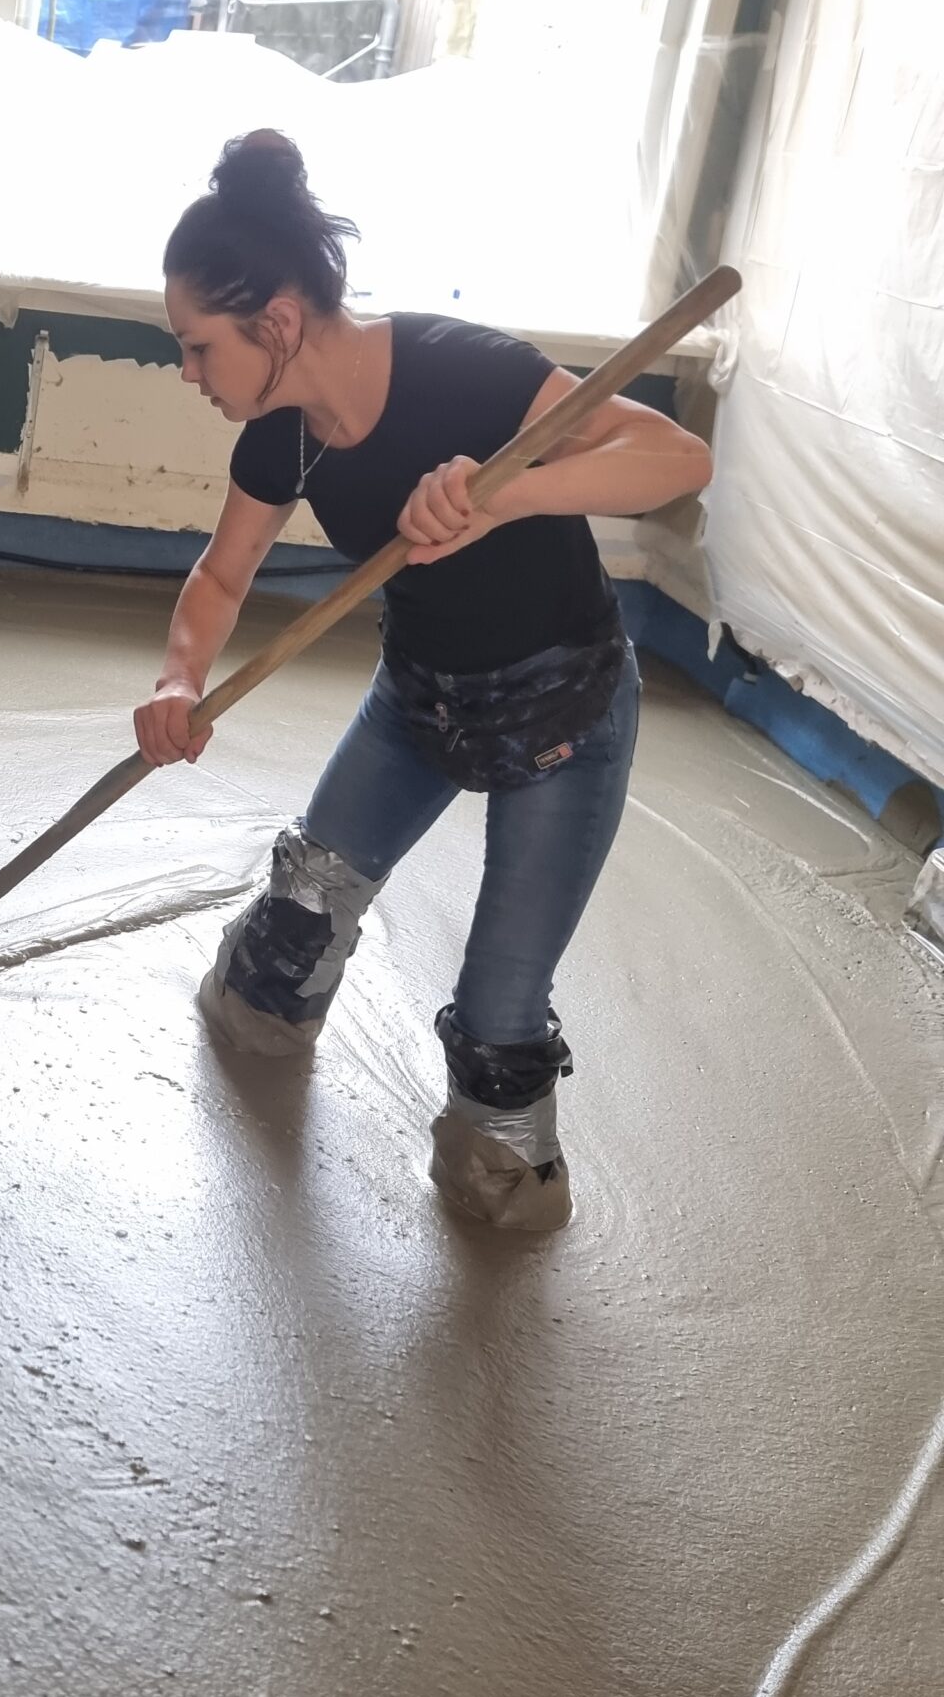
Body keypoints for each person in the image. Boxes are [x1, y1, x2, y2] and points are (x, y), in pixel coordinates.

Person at [135, 129, 713, 1230]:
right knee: (280, 950)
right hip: (420, 698)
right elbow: (221, 575)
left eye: (198, 347)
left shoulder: (463, 370)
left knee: (498, 1027)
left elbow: (680, 460)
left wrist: (504, 493)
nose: (190, 373)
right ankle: (274, 1002)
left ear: (278, 322)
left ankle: (514, 1187)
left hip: (564, 709)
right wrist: (177, 680)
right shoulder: (283, 436)